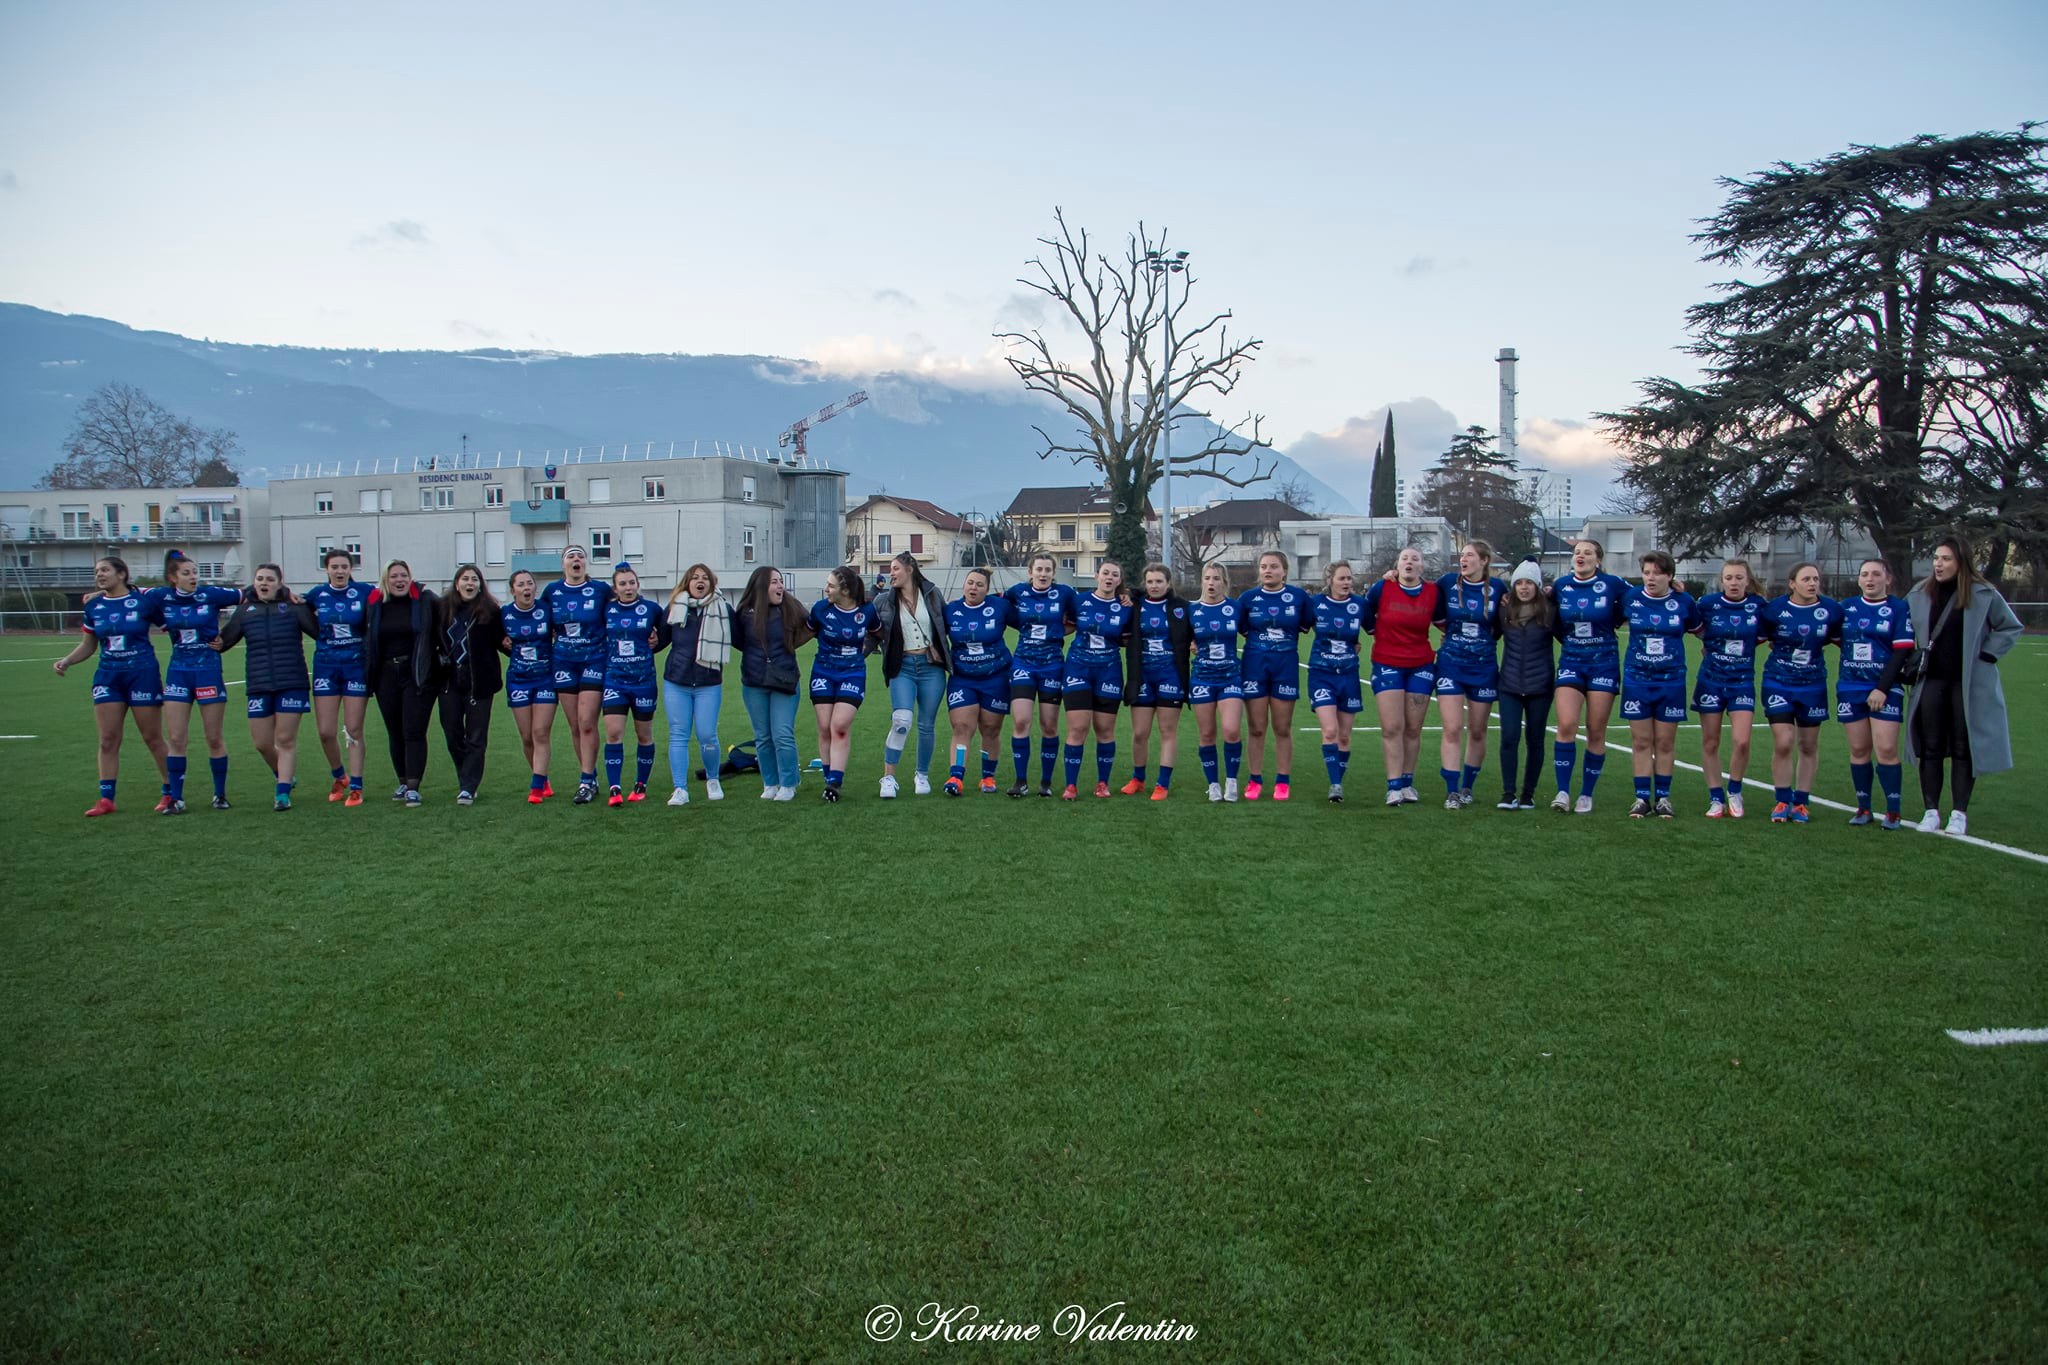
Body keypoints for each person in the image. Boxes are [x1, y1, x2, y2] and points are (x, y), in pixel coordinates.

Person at [1904, 533, 2024, 836]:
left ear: (1961, 562)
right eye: (1936, 558)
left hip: (1968, 683)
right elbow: (1901, 628)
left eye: (1946, 559)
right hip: (1931, 680)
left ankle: (1959, 813)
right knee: (1929, 746)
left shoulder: (1983, 593)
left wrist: (1988, 654)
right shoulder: (1919, 593)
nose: (1938, 564)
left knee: (1962, 746)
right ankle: (1930, 810)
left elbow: (2010, 626)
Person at [52, 556, 169, 817]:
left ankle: (170, 791)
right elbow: (88, 644)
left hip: (142, 674)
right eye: (96, 572)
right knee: (107, 740)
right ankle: (106, 799)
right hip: (108, 677)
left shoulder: (144, 602)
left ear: (122, 574)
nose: (99, 575)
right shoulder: (94, 606)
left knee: (152, 737)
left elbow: (169, 628)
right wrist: (67, 661)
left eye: (105, 570)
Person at [149, 549, 247, 811]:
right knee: (177, 738)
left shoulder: (211, 595)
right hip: (178, 673)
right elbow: (127, 596)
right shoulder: (161, 597)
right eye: (186, 573)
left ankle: (220, 795)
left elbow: (251, 594)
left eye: (195, 572)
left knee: (213, 737)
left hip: (208, 672)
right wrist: (97, 596)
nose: (193, 577)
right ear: (173, 577)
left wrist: (228, 634)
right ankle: (176, 798)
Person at [216, 563, 315, 811]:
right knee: (261, 743)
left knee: (285, 739)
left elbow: (319, 632)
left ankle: (282, 794)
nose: (264, 583)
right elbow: (223, 642)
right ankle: (284, 775)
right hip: (259, 684)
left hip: (292, 681)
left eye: (270, 579)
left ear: (280, 583)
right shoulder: (245, 611)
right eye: (260, 579)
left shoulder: (294, 608)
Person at [1549, 539, 1628, 814]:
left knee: (1596, 730)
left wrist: (1676, 590)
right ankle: (1562, 791)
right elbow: (1550, 619)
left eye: (1587, 553)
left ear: (1598, 560)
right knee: (1567, 725)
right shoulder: (1560, 586)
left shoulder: (1612, 584)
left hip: (1604, 663)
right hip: (1571, 661)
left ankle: (1586, 793)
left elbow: (1640, 599)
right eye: (1577, 552)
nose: (1580, 556)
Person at [1836, 558, 1915, 830]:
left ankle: (1893, 811)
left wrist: (1881, 688)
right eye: (1864, 575)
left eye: (1876, 574)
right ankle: (1864, 808)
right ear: (1858, 580)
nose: (1870, 579)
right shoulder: (1846, 608)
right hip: (1849, 687)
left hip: (1885, 688)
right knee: (1859, 749)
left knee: (1887, 749)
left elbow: (1901, 651)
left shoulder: (1898, 608)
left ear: (1887, 579)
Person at [1758, 562, 1840, 824]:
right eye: (1806, 579)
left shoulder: (1831, 610)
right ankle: (1782, 799)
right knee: (1783, 742)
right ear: (1792, 583)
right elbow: (1760, 638)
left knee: (1808, 745)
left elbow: (1839, 640)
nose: (1812, 583)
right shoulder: (1774, 610)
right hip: (1778, 682)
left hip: (1813, 684)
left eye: (1815, 579)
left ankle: (1801, 802)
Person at [1620, 550, 1699, 819]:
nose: (1650, 578)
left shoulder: (1684, 601)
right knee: (1641, 740)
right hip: (1637, 679)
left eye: (1657, 573)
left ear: (1669, 576)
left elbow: (1702, 630)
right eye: (1646, 573)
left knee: (1665, 742)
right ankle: (1641, 798)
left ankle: (1663, 797)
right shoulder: (1631, 598)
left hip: (1671, 681)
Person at [1360, 547, 1440, 807]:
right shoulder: (1382, 588)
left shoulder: (1432, 591)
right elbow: (1364, 613)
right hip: (1387, 662)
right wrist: (1374, 632)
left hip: (1421, 664)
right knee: (1392, 727)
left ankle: (1407, 782)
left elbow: (1444, 620)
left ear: (1422, 567)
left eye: (1415, 559)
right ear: (1397, 564)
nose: (1409, 562)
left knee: (1413, 728)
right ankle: (1393, 786)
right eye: (1405, 558)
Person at [1432, 540, 1507, 807]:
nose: (1463, 560)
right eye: (1462, 555)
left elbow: (1502, 624)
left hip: (1484, 666)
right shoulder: (1446, 583)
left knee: (1477, 730)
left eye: (1470, 555)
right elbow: (1436, 614)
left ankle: (1467, 786)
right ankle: (1451, 790)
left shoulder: (1498, 588)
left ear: (1484, 561)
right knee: (1452, 728)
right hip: (1451, 664)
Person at [874, 551, 951, 799]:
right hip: (902, 666)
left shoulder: (932, 594)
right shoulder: (883, 601)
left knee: (926, 725)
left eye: (895, 568)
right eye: (890, 569)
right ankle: (888, 778)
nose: (891, 573)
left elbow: (947, 625)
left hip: (931, 666)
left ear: (910, 569)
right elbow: (870, 632)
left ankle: (922, 774)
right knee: (901, 721)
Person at [364, 559, 440, 808]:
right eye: (394, 576)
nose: (399, 580)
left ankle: (414, 786)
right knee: (394, 731)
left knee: (413, 730)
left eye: (403, 576)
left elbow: (452, 610)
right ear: (386, 579)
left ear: (410, 577)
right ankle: (403, 780)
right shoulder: (375, 603)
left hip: (416, 674)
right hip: (385, 675)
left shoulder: (425, 599)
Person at [1004, 552, 1080, 797]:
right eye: (1039, 569)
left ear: (1053, 573)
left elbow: (1082, 616)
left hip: (1052, 666)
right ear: (1030, 572)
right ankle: (1021, 780)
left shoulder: (1065, 593)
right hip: (1023, 663)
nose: (1043, 574)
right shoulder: (1017, 592)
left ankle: (1045, 782)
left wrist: (1057, 633)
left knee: (1049, 725)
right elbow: (1001, 610)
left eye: (1048, 570)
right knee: (1021, 721)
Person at [542, 545, 613, 804]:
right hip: (563, 663)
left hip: (594, 659)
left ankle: (585, 781)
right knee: (574, 725)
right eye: (571, 556)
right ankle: (590, 776)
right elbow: (540, 622)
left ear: (586, 564)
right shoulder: (552, 592)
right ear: (563, 564)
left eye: (580, 556)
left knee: (586, 722)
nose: (576, 560)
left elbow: (624, 608)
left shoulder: (601, 590)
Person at [1693, 560, 1764, 819]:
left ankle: (1735, 790)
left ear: (1747, 580)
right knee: (1711, 741)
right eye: (1729, 578)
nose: (1733, 583)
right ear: (1722, 581)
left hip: (1742, 682)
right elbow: (1694, 626)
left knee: (1742, 741)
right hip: (1710, 680)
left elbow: (1769, 632)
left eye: (1738, 578)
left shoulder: (1758, 606)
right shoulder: (1707, 604)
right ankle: (1715, 797)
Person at [1236, 550, 1308, 801]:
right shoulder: (1247, 599)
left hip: (1285, 667)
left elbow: (1310, 625)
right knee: (1256, 727)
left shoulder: (1299, 597)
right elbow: (1241, 628)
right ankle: (1255, 779)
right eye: (1264, 566)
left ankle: (1282, 780)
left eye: (1274, 566)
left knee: (1282, 727)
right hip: (1254, 666)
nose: (1268, 571)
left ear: (1284, 571)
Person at [737, 565, 814, 801]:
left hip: (785, 680)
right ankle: (770, 782)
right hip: (754, 681)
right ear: (760, 585)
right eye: (774, 582)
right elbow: (738, 640)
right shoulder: (743, 613)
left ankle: (789, 782)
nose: (780, 586)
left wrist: (787, 648)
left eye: (781, 581)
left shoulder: (791, 608)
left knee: (781, 733)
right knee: (763, 736)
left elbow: (811, 628)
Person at [596, 563, 669, 806]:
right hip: (614, 681)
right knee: (614, 734)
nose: (628, 587)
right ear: (615, 589)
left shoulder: (651, 609)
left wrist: (657, 641)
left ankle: (641, 784)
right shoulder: (606, 610)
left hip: (644, 682)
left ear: (637, 584)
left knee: (643, 735)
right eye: (623, 584)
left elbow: (666, 634)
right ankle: (614, 788)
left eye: (631, 582)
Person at [662, 563, 735, 806]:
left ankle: (713, 779)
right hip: (677, 680)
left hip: (708, 682)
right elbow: (659, 639)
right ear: (687, 582)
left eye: (705, 578)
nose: (699, 581)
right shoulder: (674, 607)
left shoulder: (722, 608)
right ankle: (680, 788)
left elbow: (742, 637)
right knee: (678, 734)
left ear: (712, 583)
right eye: (694, 578)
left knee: (707, 734)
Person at [305, 547, 372, 805]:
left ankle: (356, 785)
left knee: (353, 729)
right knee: (325, 731)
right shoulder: (317, 595)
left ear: (350, 569)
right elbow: (296, 604)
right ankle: (339, 775)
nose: (340, 571)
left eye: (344, 566)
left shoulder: (365, 591)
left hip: (356, 665)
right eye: (335, 567)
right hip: (325, 666)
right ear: (327, 569)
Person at [1061, 560, 1132, 799]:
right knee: (1078, 728)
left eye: (1115, 575)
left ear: (1119, 580)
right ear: (1096, 576)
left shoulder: (1125, 607)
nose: (1109, 578)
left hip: (1109, 670)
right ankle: (1071, 785)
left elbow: (1127, 640)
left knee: (1104, 730)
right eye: (1105, 573)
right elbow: (1066, 627)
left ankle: (1103, 783)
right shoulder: (1078, 601)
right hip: (1078, 669)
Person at [434, 564, 504, 805]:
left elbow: (502, 642)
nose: (470, 583)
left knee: (476, 736)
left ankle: (468, 785)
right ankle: (466, 775)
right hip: (448, 681)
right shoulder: (442, 609)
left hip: (480, 683)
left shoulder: (490, 611)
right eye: (466, 579)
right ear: (457, 583)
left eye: (475, 579)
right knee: (452, 732)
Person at [808, 566, 879, 801]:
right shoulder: (820, 609)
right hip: (823, 672)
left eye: (830, 585)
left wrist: (864, 652)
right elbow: (805, 633)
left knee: (839, 725)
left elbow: (877, 633)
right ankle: (829, 781)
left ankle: (835, 782)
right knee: (824, 726)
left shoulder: (867, 611)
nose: (825, 589)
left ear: (845, 590)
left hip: (853, 674)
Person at [1122, 563, 1192, 801]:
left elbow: (1195, 632)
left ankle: (1162, 783)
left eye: (1159, 581)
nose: (1154, 586)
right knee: (1140, 732)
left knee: (1167, 730)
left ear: (1168, 583)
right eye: (1150, 581)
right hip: (1142, 676)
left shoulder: (1181, 607)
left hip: (1170, 675)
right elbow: (1123, 590)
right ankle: (1138, 779)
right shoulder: (1135, 606)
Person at [942, 567, 1013, 796]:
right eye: (970, 583)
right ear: (964, 585)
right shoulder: (951, 610)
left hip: (996, 677)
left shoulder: (1000, 607)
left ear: (987, 589)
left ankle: (988, 778)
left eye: (979, 584)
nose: (974, 587)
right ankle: (956, 777)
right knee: (962, 726)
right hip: (963, 678)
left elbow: (1029, 623)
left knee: (990, 729)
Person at [1492, 562, 1555, 809]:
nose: (1524, 587)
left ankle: (1528, 793)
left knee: (1535, 739)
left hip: (1540, 685)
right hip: (1509, 684)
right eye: (1519, 582)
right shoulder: (1504, 611)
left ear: (1537, 586)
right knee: (1509, 737)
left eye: (1529, 582)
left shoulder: (1551, 611)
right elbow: (1490, 633)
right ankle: (1508, 793)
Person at [1304, 561, 1366, 803]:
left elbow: (1372, 628)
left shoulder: (1360, 605)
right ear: (1329, 580)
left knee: (1344, 736)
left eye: (1349, 578)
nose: (1347, 583)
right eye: (1342, 578)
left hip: (1349, 674)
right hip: (1321, 674)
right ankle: (1336, 785)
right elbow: (1297, 627)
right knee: (1330, 730)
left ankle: (1337, 781)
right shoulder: (1315, 604)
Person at [1187, 562, 1247, 802]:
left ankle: (1231, 781)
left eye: (1216, 579)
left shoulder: (1235, 608)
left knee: (1231, 730)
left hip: (1230, 676)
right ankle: (1212, 784)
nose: (1211, 583)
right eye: (1207, 578)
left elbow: (1251, 633)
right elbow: (1184, 639)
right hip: (1202, 677)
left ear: (1225, 582)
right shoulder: (1192, 610)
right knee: (1207, 734)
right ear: (1202, 581)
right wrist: (1191, 644)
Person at [499, 569, 558, 804]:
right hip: (518, 679)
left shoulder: (546, 610)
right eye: (521, 584)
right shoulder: (504, 614)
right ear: (513, 590)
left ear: (535, 588)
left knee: (540, 732)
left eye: (530, 583)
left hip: (545, 678)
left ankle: (536, 787)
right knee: (526, 737)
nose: (526, 588)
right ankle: (543, 779)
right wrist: (504, 643)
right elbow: (498, 640)